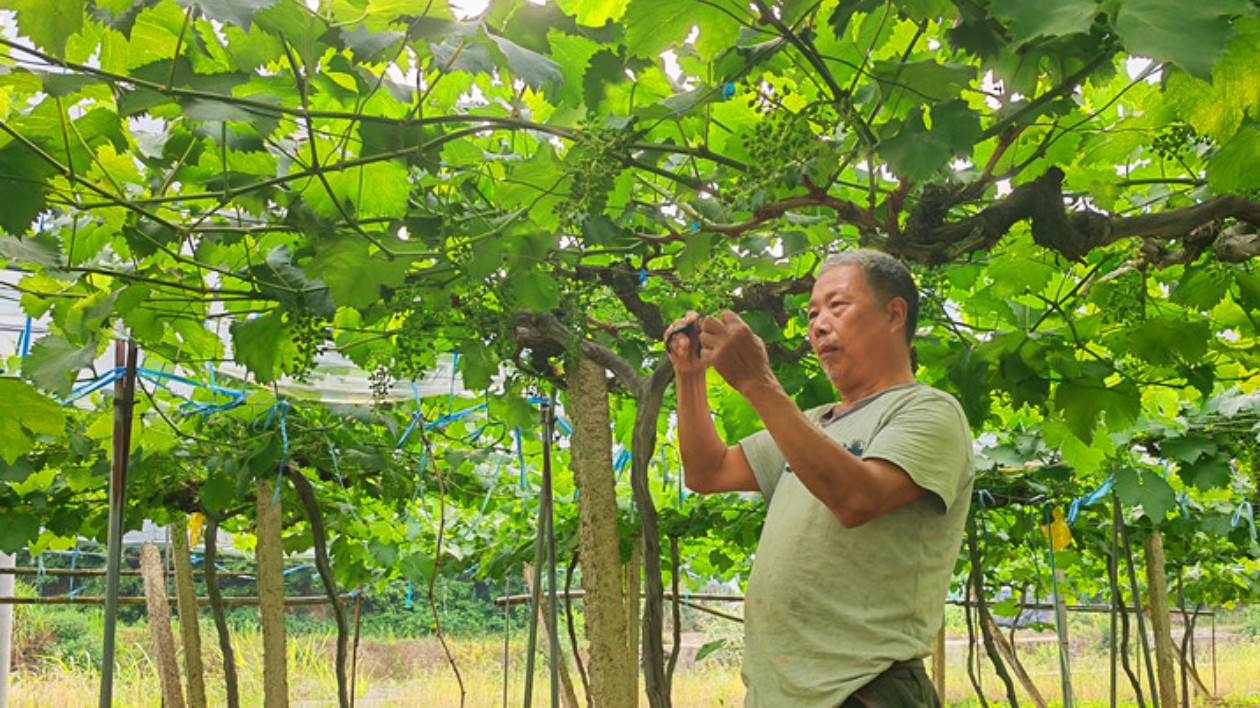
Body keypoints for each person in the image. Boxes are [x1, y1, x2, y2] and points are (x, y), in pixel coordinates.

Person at [664, 249, 974, 707]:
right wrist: (690, 377)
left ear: (894, 314)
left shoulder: (929, 411)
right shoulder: (812, 424)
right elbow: (707, 471)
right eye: (811, 313)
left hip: (861, 690)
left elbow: (856, 499)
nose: (819, 324)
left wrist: (758, 383)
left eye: (837, 305)